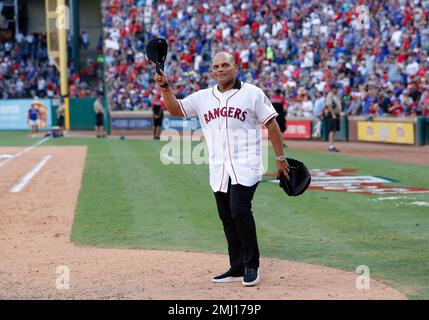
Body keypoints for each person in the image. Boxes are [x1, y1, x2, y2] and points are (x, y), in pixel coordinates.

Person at [154, 52, 289, 287]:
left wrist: (280, 158)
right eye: (216, 66)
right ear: (212, 71)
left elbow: (272, 126)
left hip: (247, 164)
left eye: (225, 65)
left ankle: (251, 265)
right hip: (219, 167)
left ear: (235, 67)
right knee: (227, 217)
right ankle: (236, 267)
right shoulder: (204, 97)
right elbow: (177, 110)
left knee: (240, 210)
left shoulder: (252, 93)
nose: (220, 69)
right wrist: (165, 87)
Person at [324, 83, 342, 152]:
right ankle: (331, 146)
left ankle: (332, 145)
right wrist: (333, 114)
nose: (337, 90)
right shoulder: (330, 95)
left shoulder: (335, 96)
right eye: (336, 88)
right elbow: (328, 105)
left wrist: (338, 115)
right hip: (331, 114)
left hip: (336, 114)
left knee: (334, 130)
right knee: (331, 130)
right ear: (333, 89)